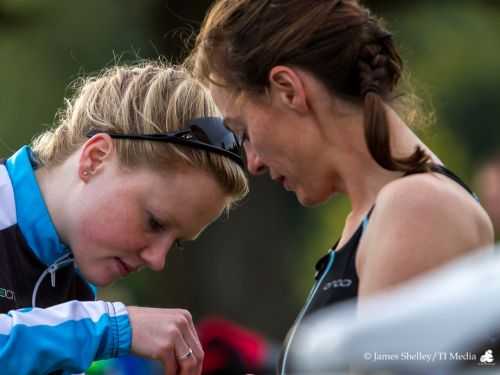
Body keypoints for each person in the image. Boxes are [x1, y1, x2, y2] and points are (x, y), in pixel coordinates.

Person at [186, 0, 494, 373]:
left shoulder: (418, 208)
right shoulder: (377, 216)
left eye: (243, 132)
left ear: (288, 90)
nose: (253, 163)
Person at [0, 61, 248, 374]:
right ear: (96, 157)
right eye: (154, 222)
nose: (158, 260)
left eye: (178, 243)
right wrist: (110, 328)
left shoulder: (72, 280)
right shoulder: (91, 321)